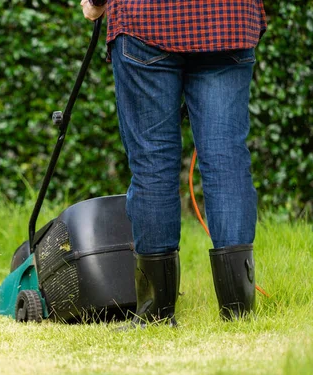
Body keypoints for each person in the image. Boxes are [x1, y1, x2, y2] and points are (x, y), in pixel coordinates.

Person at [80, 0, 267, 325]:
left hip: (148, 19)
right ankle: (239, 312)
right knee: (227, 159)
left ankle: (156, 313)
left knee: (153, 162)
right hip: (229, 18)